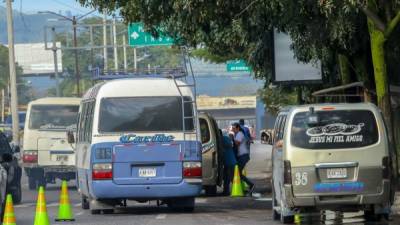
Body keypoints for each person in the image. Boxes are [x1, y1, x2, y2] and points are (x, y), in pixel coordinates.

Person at [232, 122, 255, 194]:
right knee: (238, 172)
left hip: (243, 156)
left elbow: (237, 143)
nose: (233, 130)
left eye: (234, 128)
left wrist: (232, 139)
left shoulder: (239, 134)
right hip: (241, 156)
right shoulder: (237, 134)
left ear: (238, 128)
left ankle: (251, 184)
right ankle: (244, 186)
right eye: (232, 128)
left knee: (238, 173)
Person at [221, 130, 237, 195]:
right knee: (229, 177)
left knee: (229, 178)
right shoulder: (226, 138)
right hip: (231, 161)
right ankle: (227, 191)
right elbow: (230, 144)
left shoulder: (220, 140)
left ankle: (233, 190)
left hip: (228, 162)